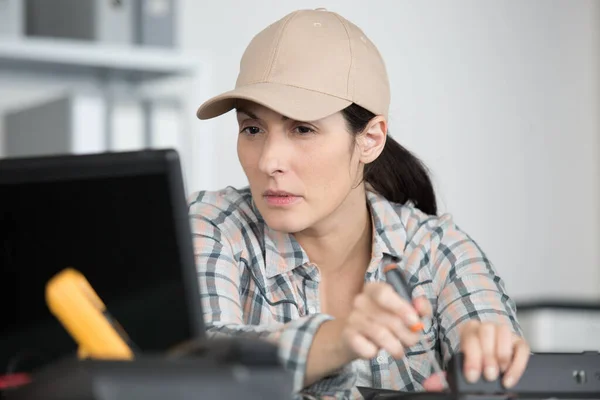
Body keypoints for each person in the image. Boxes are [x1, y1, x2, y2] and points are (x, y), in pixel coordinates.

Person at [189, 8, 530, 400]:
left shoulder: (438, 251)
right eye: (252, 129)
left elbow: (494, 352)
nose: (268, 161)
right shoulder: (211, 225)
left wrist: (488, 360)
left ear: (370, 139)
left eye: (302, 129)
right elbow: (195, 363)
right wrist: (340, 337)